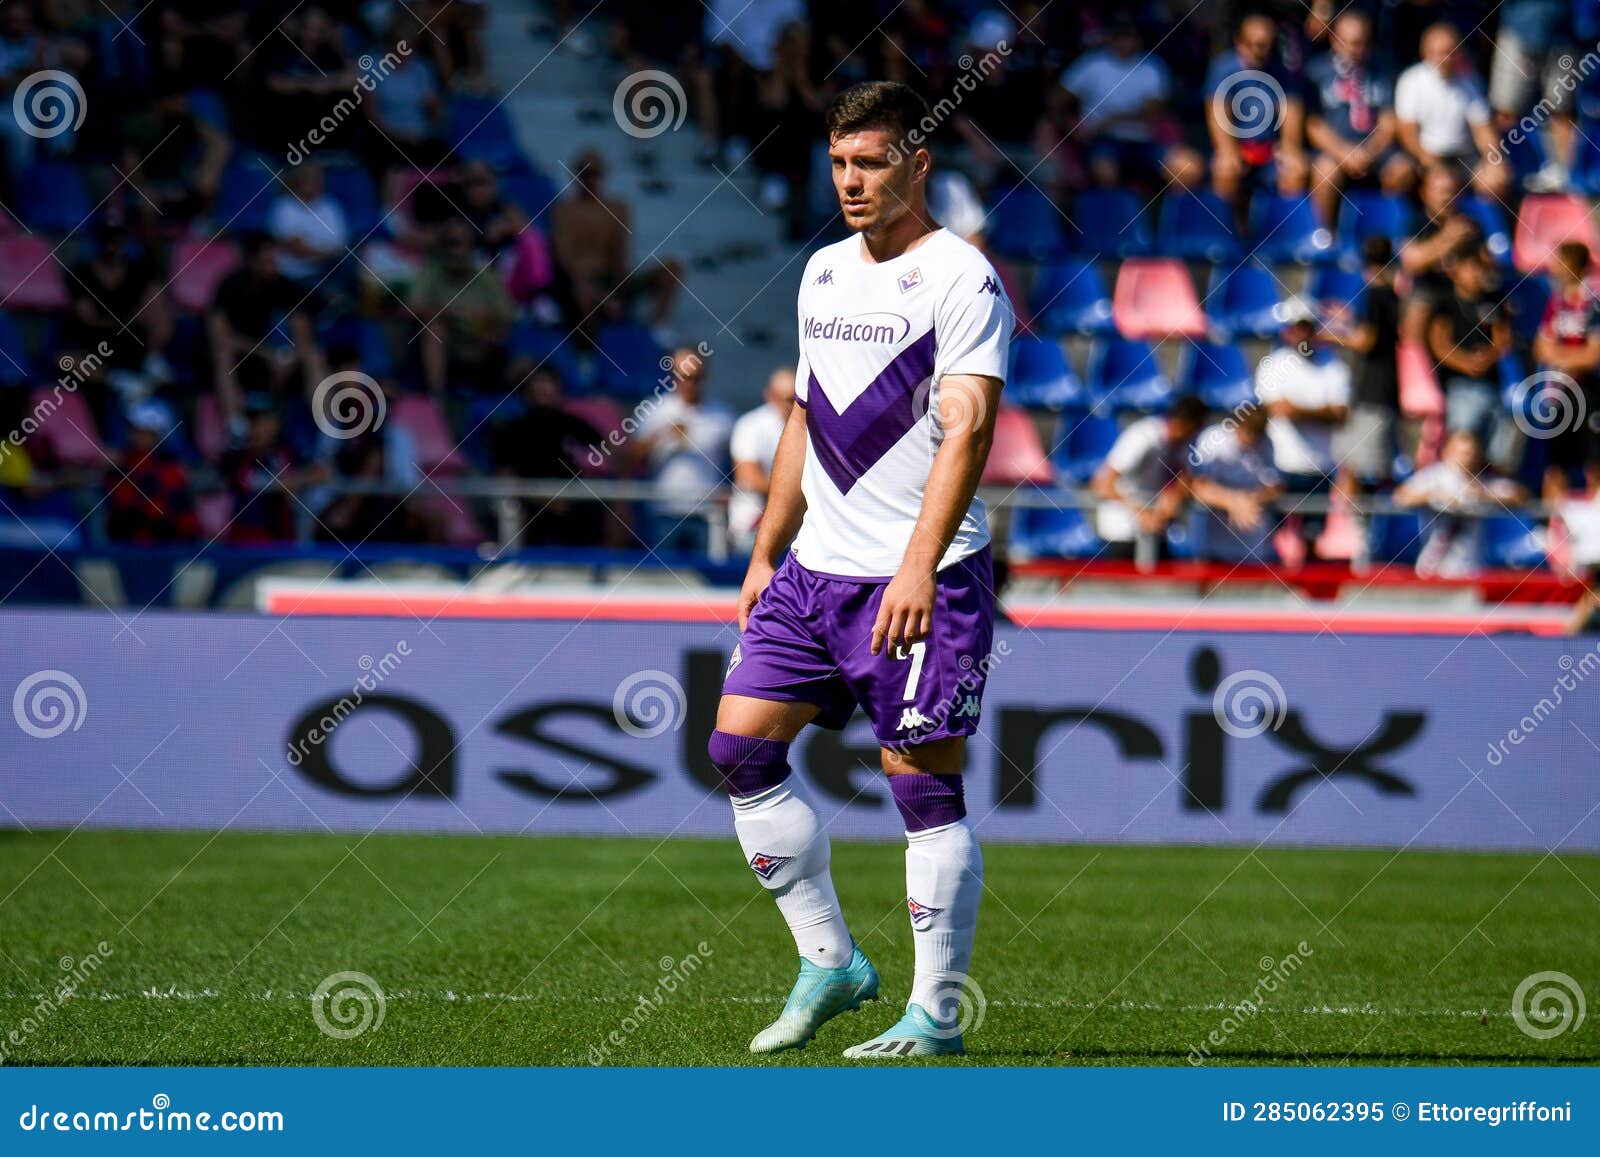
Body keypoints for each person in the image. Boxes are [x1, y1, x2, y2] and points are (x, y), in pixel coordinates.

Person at [711, 82, 1011, 1060]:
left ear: (917, 167)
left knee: (919, 786)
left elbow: (967, 432)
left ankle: (936, 1010)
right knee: (738, 752)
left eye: (871, 162)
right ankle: (832, 962)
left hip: (918, 579)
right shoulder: (823, 273)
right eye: (839, 162)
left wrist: (918, 566)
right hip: (810, 575)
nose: (850, 180)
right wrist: (765, 548)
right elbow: (805, 416)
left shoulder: (962, 280)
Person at [1304, 10, 1413, 227]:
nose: (1358, 50)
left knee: (1402, 170)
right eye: (1352, 43)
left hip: (1374, 151)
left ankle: (1381, 237)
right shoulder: (1316, 71)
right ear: (1335, 40)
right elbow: (1313, 125)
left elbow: (1389, 121)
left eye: (1363, 43)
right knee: (1326, 172)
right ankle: (1325, 239)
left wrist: (1370, 151)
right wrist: (1343, 152)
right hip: (1334, 151)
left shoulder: (1381, 69)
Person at [629, 346, 732, 552]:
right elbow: (630, 458)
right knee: (662, 579)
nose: (690, 384)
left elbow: (736, 461)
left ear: (705, 377)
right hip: (663, 510)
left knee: (707, 579)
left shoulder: (723, 415)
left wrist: (730, 491)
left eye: (696, 377)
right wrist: (662, 436)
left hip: (706, 513)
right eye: (684, 377)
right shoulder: (653, 409)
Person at [1203, 14, 1306, 214]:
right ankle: (1229, 236)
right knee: (1225, 169)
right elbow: (1216, 112)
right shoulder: (1222, 68)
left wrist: (1290, 147)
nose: (1260, 51)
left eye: (1266, 45)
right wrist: (1228, 150)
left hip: (1269, 150)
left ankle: (1280, 234)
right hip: (1237, 146)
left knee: (1295, 170)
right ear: (1239, 42)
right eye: (1254, 45)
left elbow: (1291, 109)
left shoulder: (1281, 70)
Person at [1394, 23, 1509, 198]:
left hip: (1463, 156)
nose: (1446, 58)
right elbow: (1407, 132)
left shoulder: (1470, 80)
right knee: (1408, 176)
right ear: (1426, 52)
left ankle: (1481, 224)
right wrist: (1429, 161)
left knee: (1497, 180)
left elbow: (1482, 128)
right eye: (1440, 52)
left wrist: (1493, 158)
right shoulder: (1411, 80)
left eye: (1451, 52)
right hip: (1426, 156)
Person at [1394, 429, 1526, 576]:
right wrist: (1434, 497)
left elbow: (1519, 496)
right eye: (1461, 452)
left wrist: (1483, 495)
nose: (1467, 458)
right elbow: (1401, 497)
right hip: (1433, 568)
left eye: (1470, 453)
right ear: (1447, 451)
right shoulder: (1435, 477)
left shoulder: (1482, 481)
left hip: (1471, 569)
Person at [1254, 297, 1351, 491]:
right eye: (1297, 328)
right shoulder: (1273, 365)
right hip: (1281, 469)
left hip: (1322, 471)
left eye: (1308, 327)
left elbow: (1340, 414)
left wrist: (1298, 411)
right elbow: (1279, 410)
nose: (1303, 334)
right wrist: (1322, 413)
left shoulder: (1335, 366)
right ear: (1287, 331)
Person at [1090, 395, 1206, 557]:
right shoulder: (1142, 437)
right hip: (1122, 534)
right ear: (1184, 424)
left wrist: (1173, 495)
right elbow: (1102, 483)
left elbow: (1183, 476)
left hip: (1156, 533)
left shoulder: (1182, 444)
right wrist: (1141, 514)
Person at [1332, 237, 1402, 500]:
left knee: (1364, 469)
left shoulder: (1375, 294)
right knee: (1364, 467)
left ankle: (1365, 533)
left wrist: (1327, 335)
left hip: (1373, 394)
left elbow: (1366, 339)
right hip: (1379, 393)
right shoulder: (1390, 296)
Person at [1428, 241, 1512, 461]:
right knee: (1463, 443)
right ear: (1456, 271)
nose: (1476, 274)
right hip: (1459, 385)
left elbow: (1502, 337)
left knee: (1497, 450)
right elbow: (1439, 344)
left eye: (1479, 268)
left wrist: (1488, 356)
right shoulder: (1445, 302)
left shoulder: (1492, 300)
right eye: (1471, 267)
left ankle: (1490, 489)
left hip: (1492, 385)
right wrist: (1466, 362)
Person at [1531, 241, 1600, 501]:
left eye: (1559, 261)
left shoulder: (1593, 303)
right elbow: (1541, 349)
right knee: (1557, 465)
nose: (1552, 266)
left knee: (1594, 464)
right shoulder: (1556, 303)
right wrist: (1570, 357)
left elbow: (1593, 357)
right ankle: (1554, 531)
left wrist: (1560, 357)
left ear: (1573, 265)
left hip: (1591, 392)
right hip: (1560, 393)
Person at [1188, 405, 1283, 562]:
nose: (1252, 439)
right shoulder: (1213, 439)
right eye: (1248, 432)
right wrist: (1232, 501)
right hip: (1212, 547)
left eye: (1256, 434)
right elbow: (1197, 486)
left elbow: (1275, 487)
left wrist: (1249, 499)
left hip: (1252, 548)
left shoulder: (1265, 443)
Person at [104, 400, 199, 544]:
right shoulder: (119, 466)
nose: (138, 436)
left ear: (158, 435)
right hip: (127, 545)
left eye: (146, 432)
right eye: (135, 430)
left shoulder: (172, 469)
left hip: (165, 546)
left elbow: (184, 519)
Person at [728, 367, 796, 553]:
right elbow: (748, 478)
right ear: (770, 396)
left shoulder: (807, 427)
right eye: (788, 399)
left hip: (795, 530)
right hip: (752, 527)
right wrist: (796, 492)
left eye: (797, 398)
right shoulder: (750, 425)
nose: (793, 405)